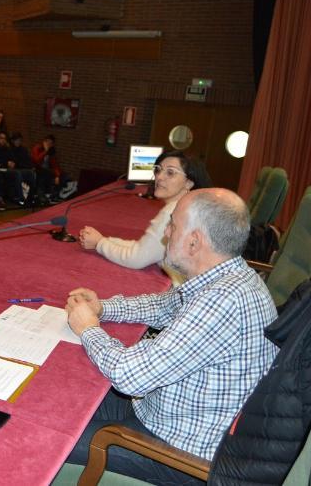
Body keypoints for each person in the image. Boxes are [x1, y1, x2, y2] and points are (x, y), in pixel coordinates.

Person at [64, 188, 278, 484]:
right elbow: (164, 305)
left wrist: (88, 328)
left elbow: (130, 375)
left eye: (173, 225)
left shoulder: (222, 301)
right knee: (68, 396)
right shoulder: (228, 276)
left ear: (194, 242)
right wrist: (102, 307)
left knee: (52, 437)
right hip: (160, 412)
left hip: (175, 455)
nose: (165, 233)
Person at [79, 151, 212, 282]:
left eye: (170, 172)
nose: (159, 177)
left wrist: (99, 244)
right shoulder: (191, 206)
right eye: (158, 170)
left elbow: (137, 259)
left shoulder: (174, 211)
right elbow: (145, 247)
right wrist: (105, 240)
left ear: (189, 183)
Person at [0, 130, 36, 205]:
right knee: (17, 173)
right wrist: (7, 163)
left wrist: (13, 163)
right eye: (1, 138)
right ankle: (20, 197)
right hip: (2, 168)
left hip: (13, 167)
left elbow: (16, 159)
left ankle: (31, 197)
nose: (2, 140)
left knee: (31, 173)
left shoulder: (8, 148)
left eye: (4, 138)